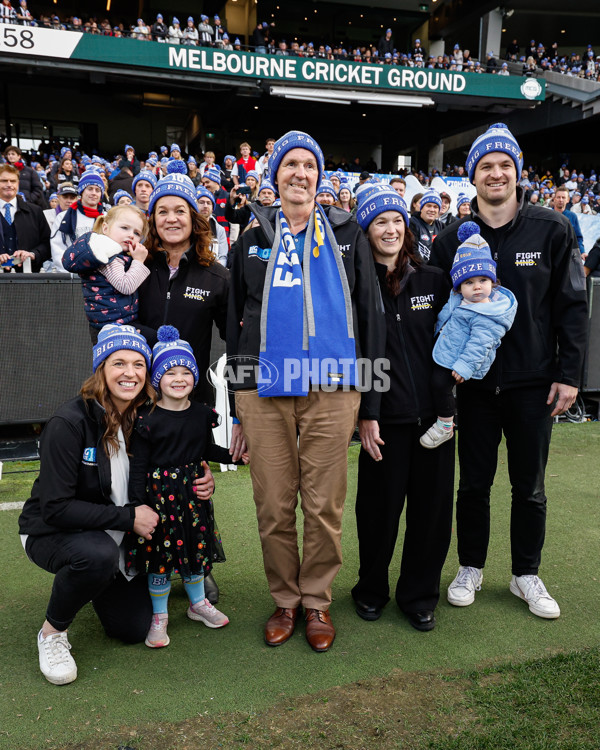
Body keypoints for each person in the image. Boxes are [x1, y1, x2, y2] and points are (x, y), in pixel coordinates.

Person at [226, 130, 383, 652]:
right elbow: (234, 326)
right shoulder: (251, 239)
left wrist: (371, 405)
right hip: (266, 388)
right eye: (289, 164)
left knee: (323, 505)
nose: (299, 172)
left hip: (334, 389)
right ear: (275, 175)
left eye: (308, 165)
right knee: (273, 504)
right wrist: (237, 408)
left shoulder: (348, 232)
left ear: (319, 176)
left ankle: (316, 601)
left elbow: (370, 319)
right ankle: (285, 600)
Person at [430, 123, 588, 619]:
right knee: (473, 484)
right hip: (472, 388)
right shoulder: (452, 237)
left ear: (517, 173)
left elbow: (572, 306)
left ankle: (525, 574)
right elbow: (437, 312)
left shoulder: (551, 227)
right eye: (485, 166)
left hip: (532, 383)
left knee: (530, 485)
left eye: (504, 165)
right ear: (471, 176)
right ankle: (470, 566)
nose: (496, 173)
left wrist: (570, 373)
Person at [17, 324, 215, 685]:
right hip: (55, 531)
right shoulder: (69, 422)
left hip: (118, 532)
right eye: (118, 363)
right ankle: (52, 633)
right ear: (101, 369)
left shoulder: (146, 417)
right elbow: (56, 508)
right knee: (95, 556)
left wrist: (201, 476)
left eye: (139, 364)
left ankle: (98, 582)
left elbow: (176, 457)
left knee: (132, 628)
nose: (130, 373)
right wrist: (128, 518)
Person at [351, 185, 454, 632]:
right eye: (379, 222)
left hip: (436, 421)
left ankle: (419, 595)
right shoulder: (355, 284)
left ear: (406, 226)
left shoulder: (433, 279)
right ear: (366, 231)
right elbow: (359, 353)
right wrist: (367, 413)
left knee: (431, 515)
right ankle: (371, 590)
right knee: (378, 512)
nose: (390, 229)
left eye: (396, 220)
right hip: (383, 421)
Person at [126, 326, 238, 647]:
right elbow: (139, 467)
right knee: (159, 561)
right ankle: (159, 616)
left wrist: (239, 455)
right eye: (170, 372)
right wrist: (138, 504)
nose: (179, 378)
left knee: (194, 553)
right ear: (156, 379)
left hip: (192, 500)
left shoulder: (202, 414)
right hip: (159, 502)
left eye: (186, 371)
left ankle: (198, 604)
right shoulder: (146, 419)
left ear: (194, 376)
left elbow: (208, 451)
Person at [420, 222, 517, 450]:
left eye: (483, 281)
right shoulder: (458, 299)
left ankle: (445, 424)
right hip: (446, 350)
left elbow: (481, 344)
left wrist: (465, 366)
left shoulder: (489, 312)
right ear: (459, 285)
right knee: (432, 382)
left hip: (460, 361)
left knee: (439, 383)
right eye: (469, 282)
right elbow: (444, 317)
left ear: (492, 282)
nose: (476, 287)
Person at [61, 204, 150, 342]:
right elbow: (125, 286)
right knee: (155, 339)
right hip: (114, 325)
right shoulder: (108, 256)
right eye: (124, 228)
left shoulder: (109, 252)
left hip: (110, 322)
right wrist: (139, 261)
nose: (131, 235)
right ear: (106, 228)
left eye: (137, 233)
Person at [50, 168, 105, 272]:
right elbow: (57, 248)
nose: (94, 193)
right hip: (71, 276)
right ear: (82, 191)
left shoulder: (107, 218)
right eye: (90, 189)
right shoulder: (63, 217)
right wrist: (70, 273)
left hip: (99, 277)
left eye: (97, 190)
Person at [0, 163, 50, 272]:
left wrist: (32, 254)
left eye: (13, 181)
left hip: (29, 279)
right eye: (4, 181)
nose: (9, 184)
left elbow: (47, 244)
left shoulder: (35, 211)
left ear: (18, 184)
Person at [409, 189, 443, 262]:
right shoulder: (412, 223)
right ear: (422, 208)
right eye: (428, 206)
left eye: (435, 207)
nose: (432, 209)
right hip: (417, 269)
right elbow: (412, 251)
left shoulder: (440, 226)